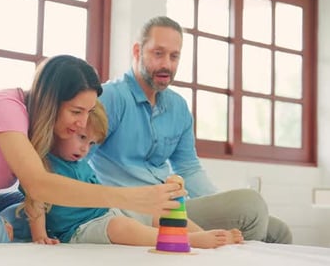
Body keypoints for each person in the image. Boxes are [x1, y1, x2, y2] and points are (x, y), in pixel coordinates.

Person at [0, 54, 186, 244]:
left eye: (87, 113)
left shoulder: (36, 127)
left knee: (56, 212)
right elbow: (41, 184)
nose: (82, 124)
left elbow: (43, 191)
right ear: (52, 100)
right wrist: (132, 196)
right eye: (76, 112)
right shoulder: (6, 110)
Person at [88, 16, 293, 244]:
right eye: (158, 53)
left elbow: (189, 168)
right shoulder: (111, 97)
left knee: (278, 229)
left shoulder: (178, 107)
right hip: (135, 210)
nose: (167, 64)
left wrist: (221, 203)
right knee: (251, 205)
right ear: (137, 51)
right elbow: (78, 161)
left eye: (174, 56)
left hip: (172, 207)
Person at [28, 100, 243, 248]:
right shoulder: (42, 163)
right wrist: (40, 236)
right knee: (122, 227)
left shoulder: (81, 163)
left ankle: (204, 235)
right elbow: (34, 199)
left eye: (91, 143)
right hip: (77, 230)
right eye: (82, 138)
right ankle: (191, 241)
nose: (85, 149)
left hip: (107, 214)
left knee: (159, 213)